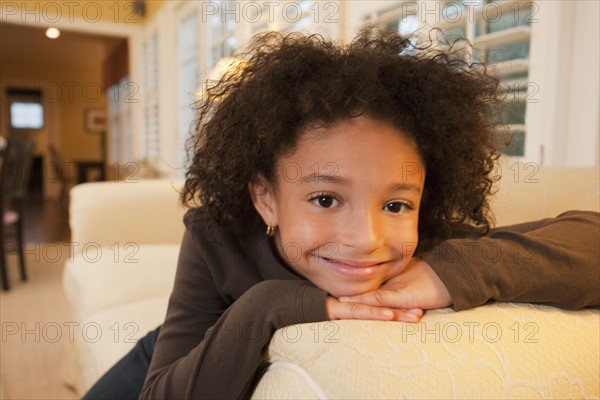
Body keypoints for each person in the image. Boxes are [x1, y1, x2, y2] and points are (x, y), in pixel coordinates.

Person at [83, 27, 599, 399]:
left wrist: (456, 271)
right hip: (172, 352)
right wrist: (268, 305)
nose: (366, 238)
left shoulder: (426, 244)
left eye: (396, 204)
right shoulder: (216, 235)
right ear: (266, 198)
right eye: (326, 199)